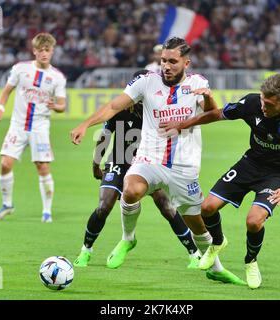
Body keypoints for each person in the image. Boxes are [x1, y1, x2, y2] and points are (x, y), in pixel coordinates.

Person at [71, 37, 244, 285]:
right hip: (149, 158)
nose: (166, 66)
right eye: (163, 60)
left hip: (184, 166)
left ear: (186, 63)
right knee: (131, 189)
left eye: (172, 61)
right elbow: (113, 106)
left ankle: (216, 268)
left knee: (196, 223)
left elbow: (213, 113)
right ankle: (128, 238)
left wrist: (207, 97)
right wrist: (85, 124)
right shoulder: (145, 82)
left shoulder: (197, 83)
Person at [160, 73, 280, 288]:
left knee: (253, 221)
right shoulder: (252, 102)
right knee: (206, 208)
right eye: (262, 100)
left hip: (278, 174)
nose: (263, 107)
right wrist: (183, 124)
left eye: (269, 104)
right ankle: (217, 242)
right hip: (250, 164)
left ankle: (250, 261)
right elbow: (216, 114)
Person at [74, 70, 203, 270]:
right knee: (104, 205)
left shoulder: (154, 109)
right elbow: (105, 136)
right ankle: (86, 250)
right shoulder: (121, 108)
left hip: (147, 163)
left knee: (166, 205)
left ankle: (194, 254)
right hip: (119, 159)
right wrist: (95, 164)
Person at [0, 33, 67, 223]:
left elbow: (62, 105)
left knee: (42, 167)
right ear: (34, 51)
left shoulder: (57, 77)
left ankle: (47, 212)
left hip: (40, 127)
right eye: (40, 50)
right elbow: (6, 91)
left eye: (47, 50)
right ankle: (7, 204)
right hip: (17, 125)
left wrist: (54, 106)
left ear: (52, 52)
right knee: (5, 163)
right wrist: (0, 109)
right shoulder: (20, 69)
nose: (44, 54)